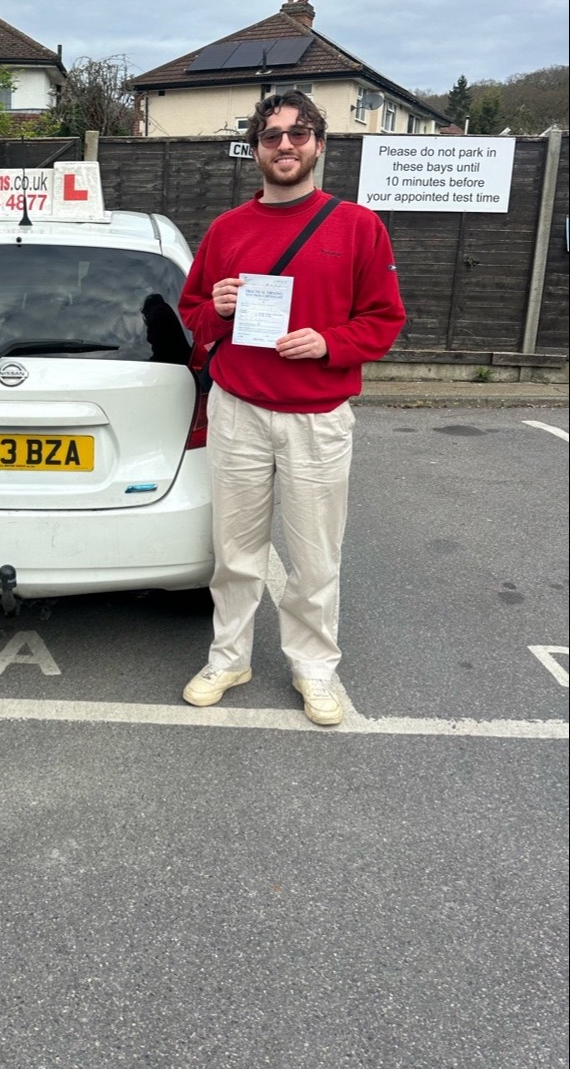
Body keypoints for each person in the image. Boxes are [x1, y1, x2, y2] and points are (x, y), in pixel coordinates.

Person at [178, 91, 405, 725]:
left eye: (298, 134)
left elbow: (384, 320)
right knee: (236, 552)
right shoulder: (227, 230)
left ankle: (313, 668)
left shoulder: (358, 226)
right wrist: (215, 306)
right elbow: (190, 313)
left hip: (317, 415)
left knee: (312, 556)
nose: (285, 145)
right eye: (273, 135)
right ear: (255, 148)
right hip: (238, 409)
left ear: (319, 144)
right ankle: (229, 657)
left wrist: (331, 341)